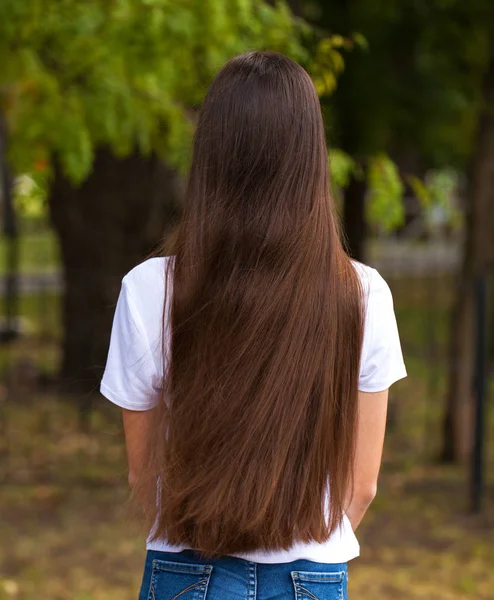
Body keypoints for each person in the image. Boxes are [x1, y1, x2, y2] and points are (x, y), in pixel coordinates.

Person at [100, 51, 406, 600]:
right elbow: (362, 486)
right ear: (310, 156)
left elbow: (143, 476)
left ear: (211, 152)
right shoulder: (362, 294)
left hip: (184, 571)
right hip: (311, 575)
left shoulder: (148, 290)